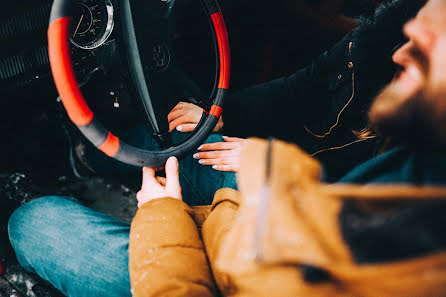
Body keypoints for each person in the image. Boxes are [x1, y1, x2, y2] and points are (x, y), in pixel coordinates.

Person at [6, 0, 436, 296]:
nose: (411, 33)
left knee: (31, 222)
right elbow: (312, 83)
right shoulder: (422, 166)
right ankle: (90, 160)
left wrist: (163, 216)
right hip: (280, 217)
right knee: (178, 139)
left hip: (215, 271)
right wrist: (256, 153)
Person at [129, 0, 446, 294]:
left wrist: (163, 217)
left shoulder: (412, 224)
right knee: (189, 143)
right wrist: (228, 118)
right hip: (265, 204)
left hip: (220, 249)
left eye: (429, 44)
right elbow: (309, 82)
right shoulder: (378, 43)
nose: (401, 53)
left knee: (83, 237)